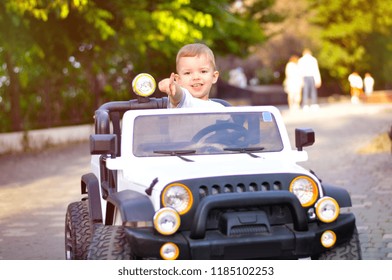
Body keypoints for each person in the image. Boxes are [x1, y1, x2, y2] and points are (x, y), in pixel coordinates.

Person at [158, 43, 224, 108]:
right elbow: (178, 95)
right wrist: (172, 86)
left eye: (203, 71)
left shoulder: (220, 108)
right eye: (188, 73)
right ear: (178, 80)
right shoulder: (184, 102)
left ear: (214, 76)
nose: (196, 77)